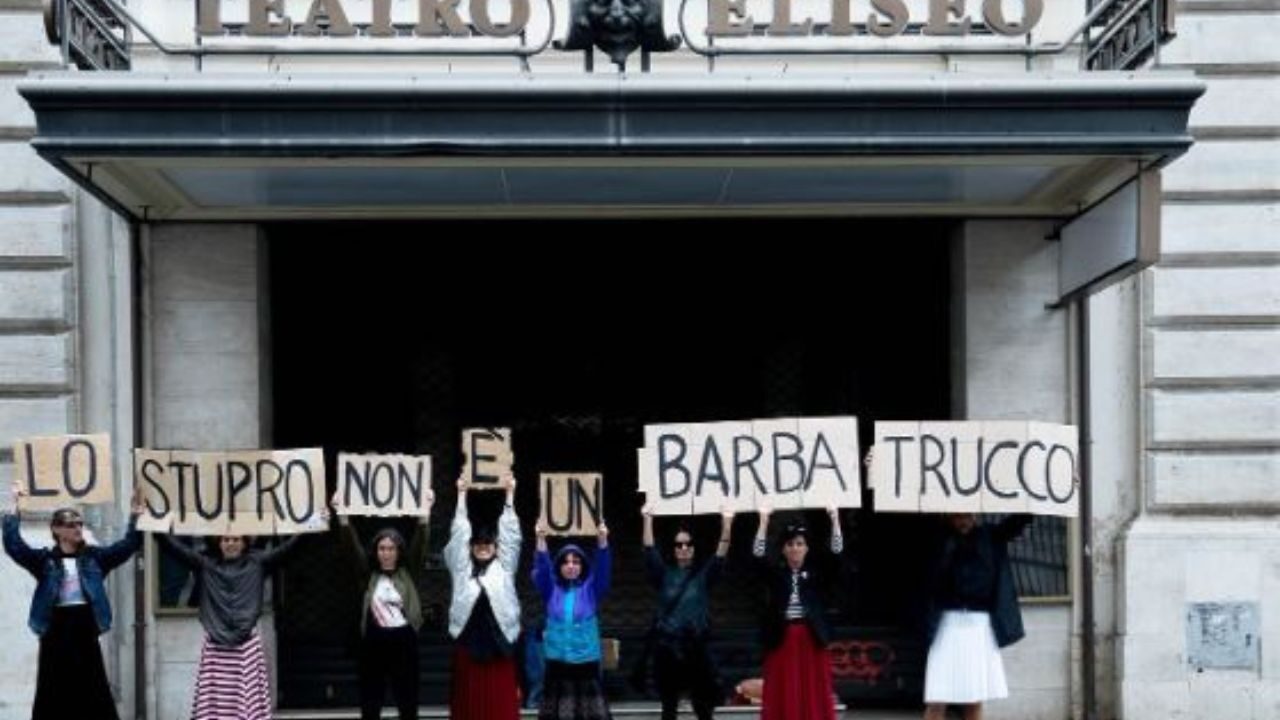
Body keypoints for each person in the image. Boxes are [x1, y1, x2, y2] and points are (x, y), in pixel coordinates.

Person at [3, 480, 144, 719]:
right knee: (52, 690)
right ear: (57, 530)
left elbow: (128, 545)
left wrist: (135, 517)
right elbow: (14, 546)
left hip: (84, 626)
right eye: (71, 524)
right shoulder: (45, 560)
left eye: (80, 523)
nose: (78, 528)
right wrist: (17, 507)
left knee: (94, 688)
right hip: (56, 628)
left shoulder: (94, 558)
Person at [154, 520, 319, 719]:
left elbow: (291, 549)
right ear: (219, 542)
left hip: (245, 644)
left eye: (235, 539)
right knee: (215, 705)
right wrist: (148, 521)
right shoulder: (206, 564)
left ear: (244, 542)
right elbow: (173, 547)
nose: (230, 543)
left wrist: (315, 522)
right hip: (217, 645)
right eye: (226, 539)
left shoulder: (258, 563)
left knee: (245, 699)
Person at [335, 487, 434, 720]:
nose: (386, 553)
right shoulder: (367, 574)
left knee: (407, 701)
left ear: (399, 551)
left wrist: (425, 514)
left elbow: (421, 544)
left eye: (391, 548)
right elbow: (352, 548)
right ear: (376, 551)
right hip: (373, 645)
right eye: (382, 548)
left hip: (404, 644)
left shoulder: (408, 573)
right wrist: (342, 516)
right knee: (371, 702)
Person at [921, 513, 1032, 720]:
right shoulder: (938, 539)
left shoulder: (989, 536)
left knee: (974, 696)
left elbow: (1016, 522)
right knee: (938, 695)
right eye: (958, 516)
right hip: (946, 623)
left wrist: (1038, 496)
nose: (963, 520)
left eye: (967, 515)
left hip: (978, 624)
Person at [637, 504, 734, 720]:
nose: (683, 548)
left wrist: (727, 522)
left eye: (688, 543)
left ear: (694, 547)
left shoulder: (703, 575)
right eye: (678, 544)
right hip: (668, 648)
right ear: (673, 548)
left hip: (695, 648)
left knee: (703, 709)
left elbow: (721, 551)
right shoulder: (663, 574)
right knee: (669, 708)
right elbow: (649, 548)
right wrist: (647, 518)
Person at [752, 504, 845, 720]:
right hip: (782, 638)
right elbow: (758, 558)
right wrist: (763, 521)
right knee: (783, 688)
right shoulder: (776, 574)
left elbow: (837, 555)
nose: (795, 548)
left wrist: (835, 520)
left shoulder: (817, 574)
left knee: (813, 689)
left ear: (807, 548)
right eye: (790, 544)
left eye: (800, 544)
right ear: (784, 549)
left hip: (811, 638)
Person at [446, 473, 523, 720]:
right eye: (478, 543)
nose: (483, 546)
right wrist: (461, 494)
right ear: (471, 547)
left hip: (500, 647)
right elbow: (458, 535)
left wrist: (510, 494)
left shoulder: (505, 568)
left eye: (488, 543)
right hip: (468, 648)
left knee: (499, 707)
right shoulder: (461, 569)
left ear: (495, 546)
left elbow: (511, 536)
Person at [532, 515, 612, 720]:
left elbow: (603, 569)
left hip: (586, 665)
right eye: (566, 562)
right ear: (559, 566)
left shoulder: (591, 589)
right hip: (557, 665)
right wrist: (540, 539)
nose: (571, 565)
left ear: (582, 566)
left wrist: (602, 540)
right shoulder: (551, 589)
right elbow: (542, 569)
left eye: (576, 561)